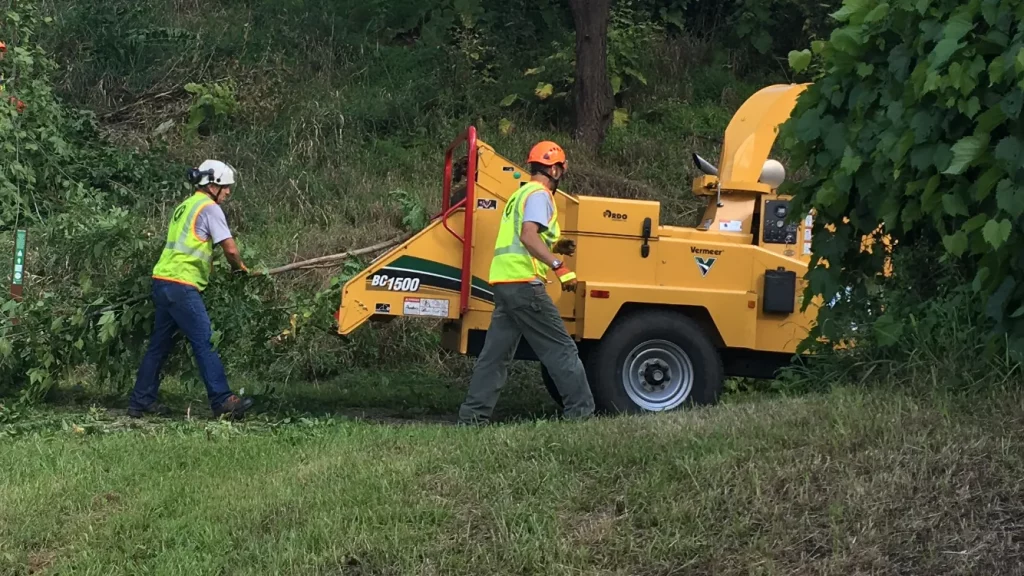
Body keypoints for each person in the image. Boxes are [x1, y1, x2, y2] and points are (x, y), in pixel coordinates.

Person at [457, 141, 596, 424]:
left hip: (505, 283)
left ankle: (472, 418)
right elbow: (528, 236)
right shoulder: (539, 196)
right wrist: (559, 265)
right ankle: (581, 414)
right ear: (555, 169)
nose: (563, 173)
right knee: (561, 349)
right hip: (524, 285)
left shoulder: (519, 195)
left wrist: (555, 244)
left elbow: (530, 237)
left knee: (494, 357)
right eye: (562, 168)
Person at [128, 160, 254, 419]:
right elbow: (229, 248)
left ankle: (140, 401)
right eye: (226, 187)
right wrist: (239, 268)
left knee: (159, 346)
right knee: (205, 340)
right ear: (213, 185)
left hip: (163, 281)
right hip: (181, 285)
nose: (229, 192)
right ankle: (222, 400)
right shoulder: (209, 208)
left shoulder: (185, 206)